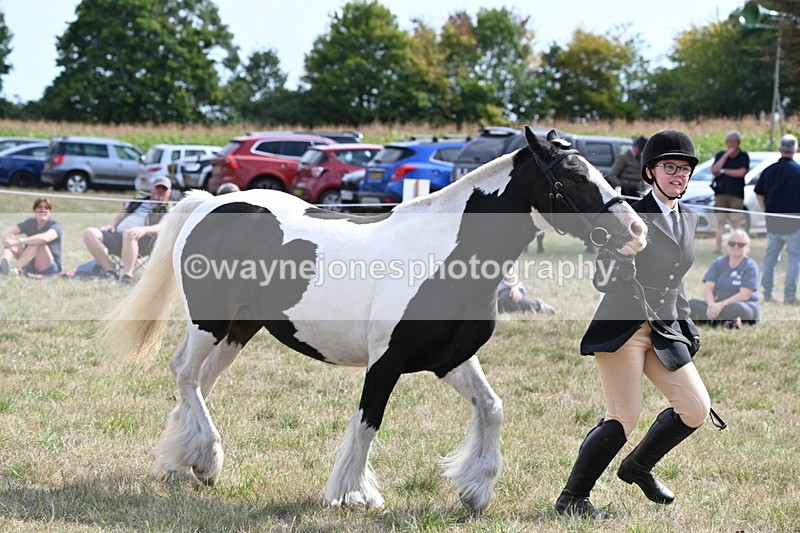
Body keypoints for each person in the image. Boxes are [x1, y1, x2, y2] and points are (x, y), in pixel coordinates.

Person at [555, 130, 712, 519]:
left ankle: (638, 467)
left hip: (663, 329)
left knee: (696, 408)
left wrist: (687, 325)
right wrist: (620, 259)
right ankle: (572, 498)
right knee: (623, 418)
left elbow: (676, 279)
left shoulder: (689, 218)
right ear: (650, 172)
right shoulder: (628, 215)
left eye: (685, 168)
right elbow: (602, 279)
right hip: (623, 328)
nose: (679, 174)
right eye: (670, 167)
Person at [82, 176, 172, 283]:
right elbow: (119, 216)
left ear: (169, 192)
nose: (160, 191)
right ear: (151, 189)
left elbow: (161, 226)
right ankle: (110, 271)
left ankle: (127, 276)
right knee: (90, 232)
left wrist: (143, 230)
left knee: (129, 233)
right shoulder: (136, 202)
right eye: (158, 188)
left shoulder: (170, 209)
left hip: (142, 240)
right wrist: (111, 225)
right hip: (117, 236)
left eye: (164, 189)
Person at [754, 134, 800, 305]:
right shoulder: (798, 171)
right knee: (795, 259)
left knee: (770, 259)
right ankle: (789, 296)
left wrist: (766, 211)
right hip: (795, 223)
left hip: (772, 222)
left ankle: (767, 294)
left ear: (780, 149)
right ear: (796, 149)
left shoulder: (769, 170)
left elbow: (759, 193)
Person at [688, 229, 760, 328]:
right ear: (728, 245)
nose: (735, 247)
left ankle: (713, 322)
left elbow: (745, 295)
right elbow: (708, 288)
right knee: (691, 304)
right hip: (717, 305)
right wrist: (711, 305)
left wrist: (722, 304)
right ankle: (725, 323)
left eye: (740, 245)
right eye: (732, 243)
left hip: (739, 305)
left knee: (741, 309)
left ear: (747, 247)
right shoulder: (719, 262)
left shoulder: (750, 266)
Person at [1, 197, 63, 276]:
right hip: (30, 263)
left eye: (46, 208)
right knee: (11, 239)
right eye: (39, 207)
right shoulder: (29, 222)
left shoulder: (56, 225)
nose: (43, 210)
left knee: (38, 242)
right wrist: (8, 240)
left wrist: (19, 241)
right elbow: (7, 233)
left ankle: (16, 269)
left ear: (50, 212)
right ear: (34, 210)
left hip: (50, 267)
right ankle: (2, 267)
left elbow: (45, 238)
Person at [711, 131, 750, 254]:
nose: (732, 144)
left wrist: (723, 171)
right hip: (721, 194)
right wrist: (726, 155)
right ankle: (718, 248)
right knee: (720, 222)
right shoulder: (721, 155)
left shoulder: (743, 156)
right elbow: (714, 170)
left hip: (736, 195)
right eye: (730, 142)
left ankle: (740, 247)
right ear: (726, 143)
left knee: (736, 222)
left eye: (734, 142)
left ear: (739, 143)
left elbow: (741, 172)